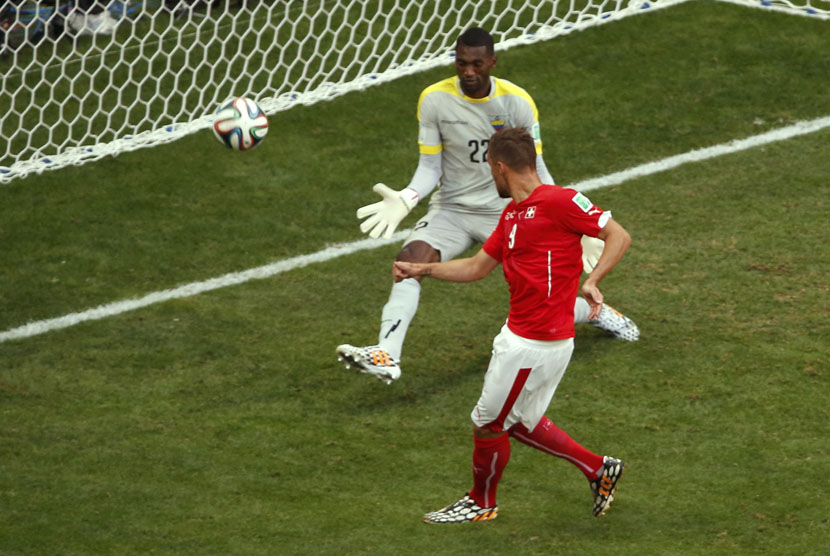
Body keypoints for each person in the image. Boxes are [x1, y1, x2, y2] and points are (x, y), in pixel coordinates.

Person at [337, 27, 638, 385]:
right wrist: (408, 197)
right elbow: (430, 166)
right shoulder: (434, 100)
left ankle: (593, 310)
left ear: (492, 62)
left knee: (539, 302)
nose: (468, 72)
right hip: (453, 209)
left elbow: (536, 167)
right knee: (411, 258)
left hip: (506, 212)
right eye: (461, 63)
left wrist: (567, 220)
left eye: (477, 64)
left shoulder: (517, 103)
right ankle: (387, 352)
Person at [393, 127, 627, 522]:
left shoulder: (560, 200)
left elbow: (617, 235)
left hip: (535, 344)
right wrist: (424, 269)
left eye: (490, 169)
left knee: (487, 424)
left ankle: (481, 503)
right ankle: (597, 468)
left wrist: (593, 280)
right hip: (522, 337)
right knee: (516, 423)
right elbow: (475, 267)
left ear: (500, 167)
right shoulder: (512, 215)